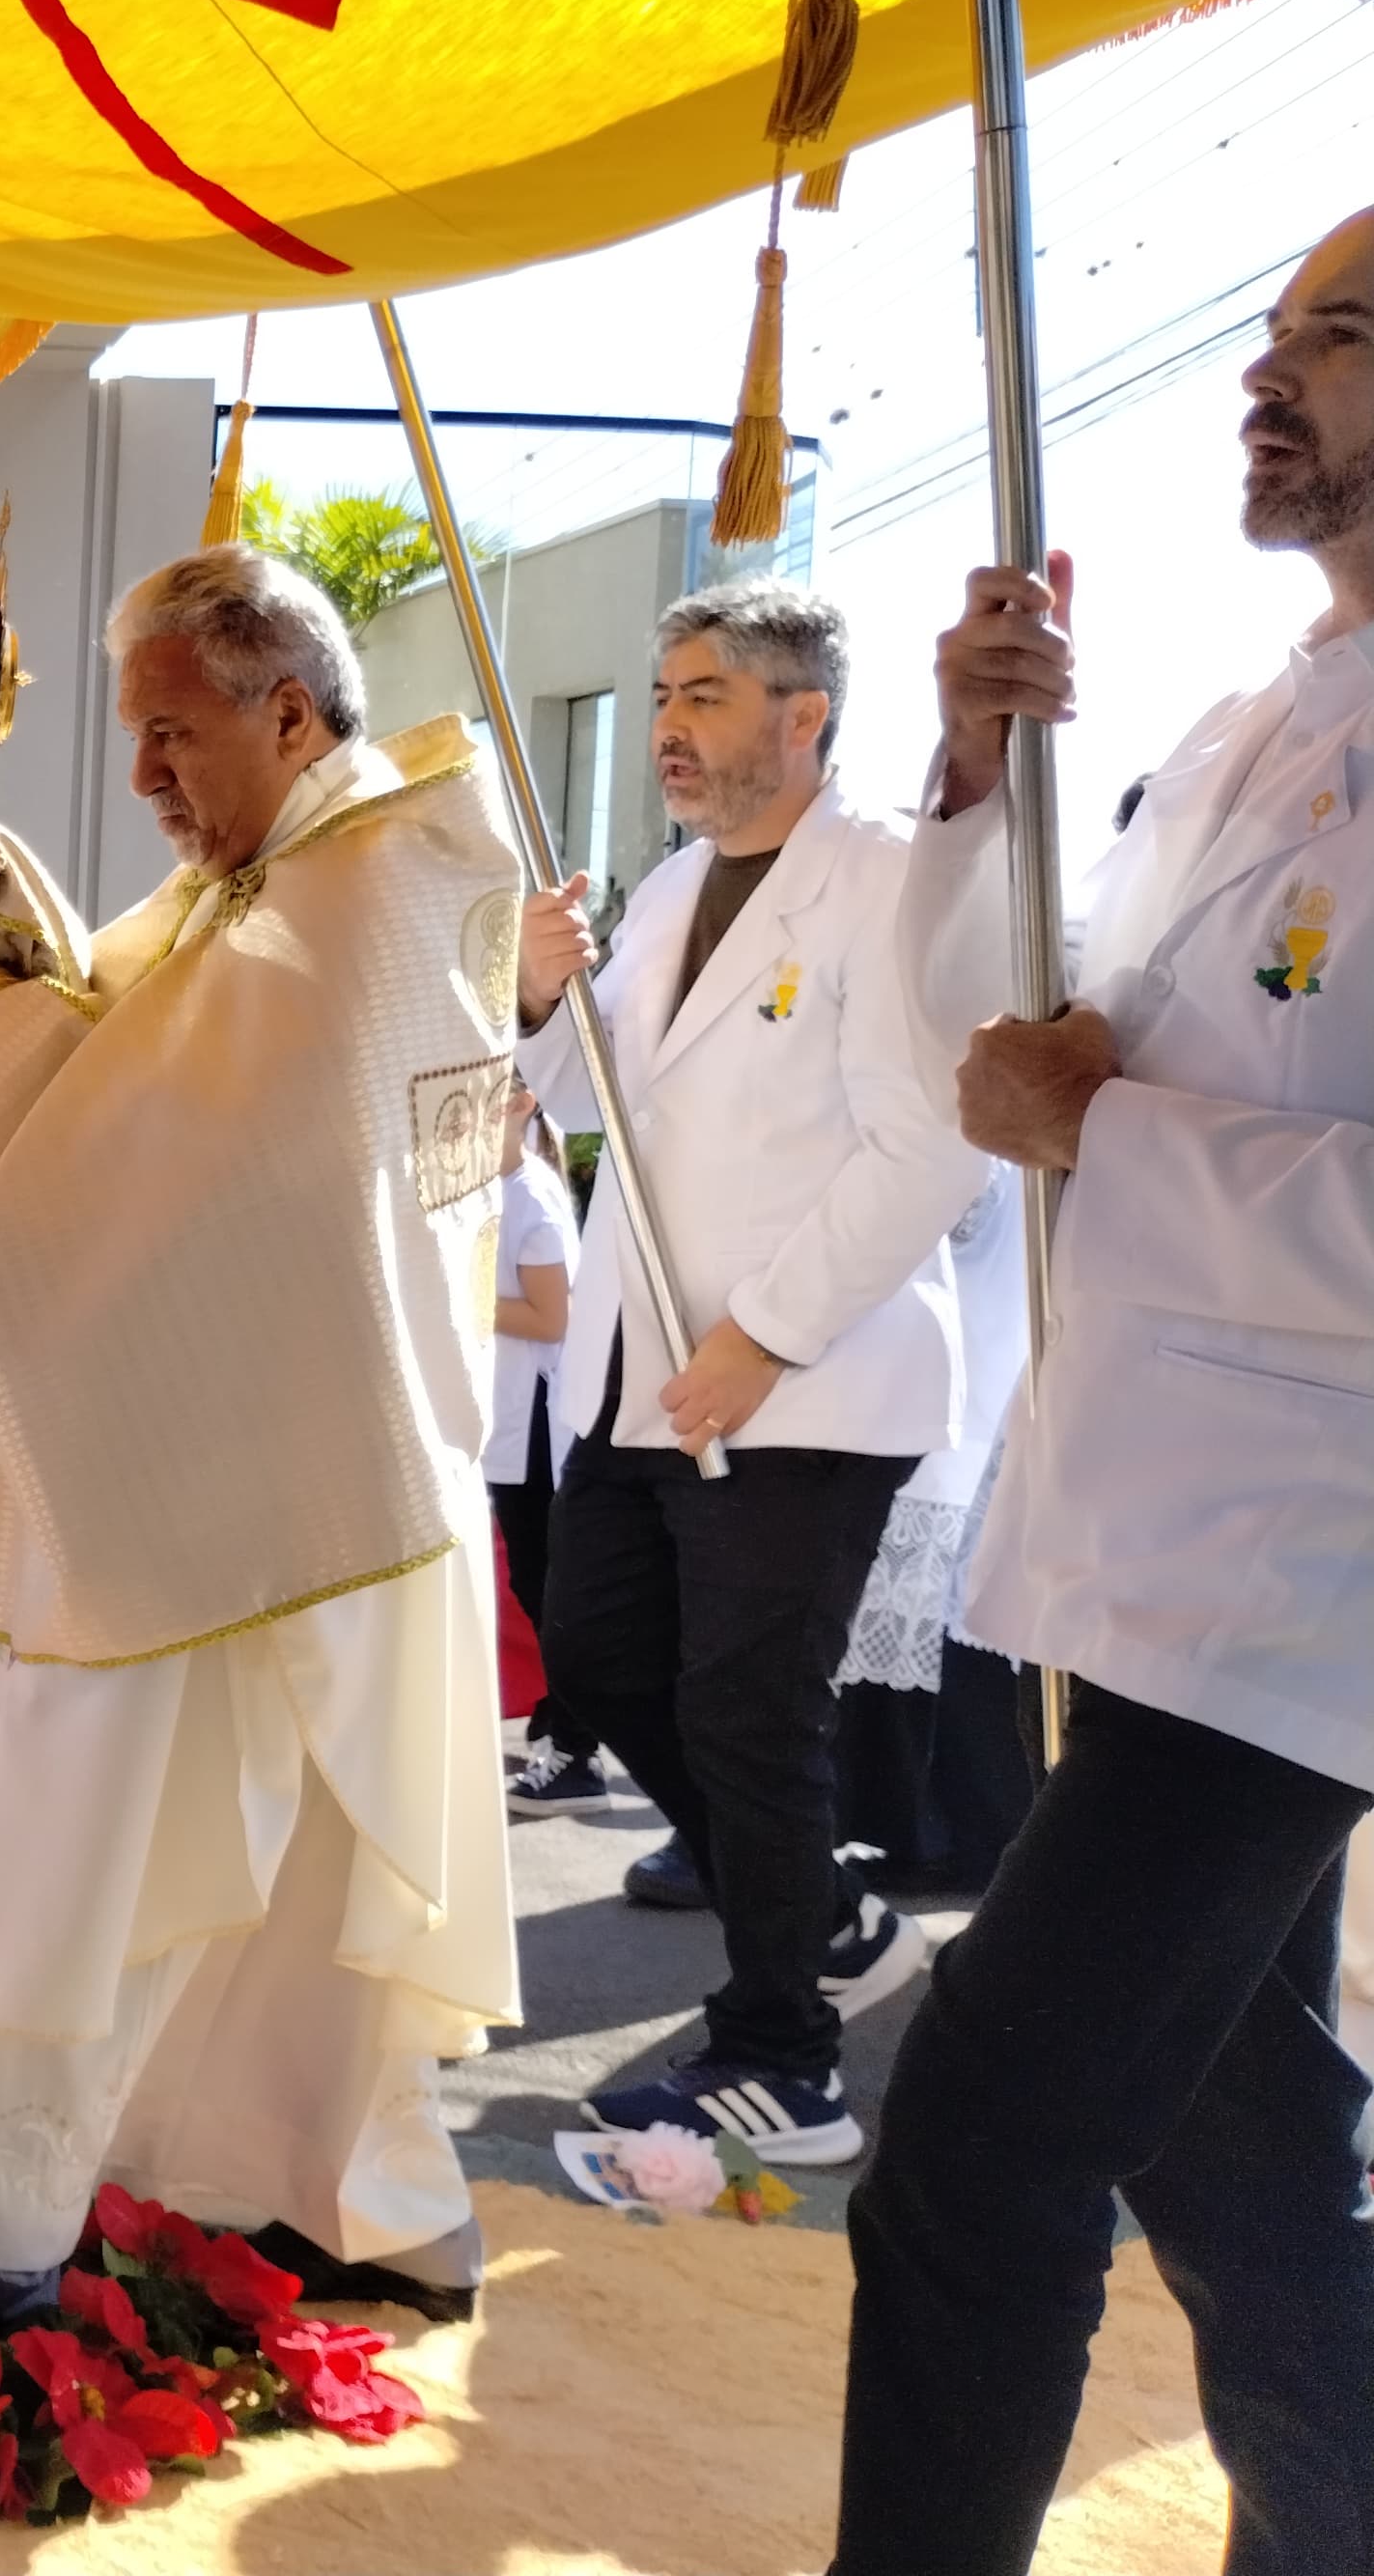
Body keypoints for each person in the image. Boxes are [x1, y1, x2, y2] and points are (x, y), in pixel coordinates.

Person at [0, 545, 523, 2357]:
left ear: (290, 712)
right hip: (276, 1462)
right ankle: (348, 2204)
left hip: (236, 1477)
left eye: (175, 733)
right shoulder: (271, 881)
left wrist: (12, 1022)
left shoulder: (371, 885)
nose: (149, 775)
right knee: (293, 1875)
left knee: (70, 1839)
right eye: (136, 736)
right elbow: (127, 1051)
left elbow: (178, 1156)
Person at [836, 207, 1374, 2576]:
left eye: (1335, 337)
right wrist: (975, 773)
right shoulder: (1247, 721)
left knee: (977, 2136)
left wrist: (1109, 1133)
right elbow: (1012, 1024)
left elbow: (1099, 1110)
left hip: (1302, 1580)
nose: (1267, 377)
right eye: (1270, 333)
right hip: (1141, 1544)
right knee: (1245, 2155)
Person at [515, 584, 983, 2167]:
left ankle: (786, 2063)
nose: (667, 725)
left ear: (806, 716)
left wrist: (768, 1333)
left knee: (750, 1715)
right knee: (597, 1649)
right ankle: (824, 1921)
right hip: (640, 1372)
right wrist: (537, 988)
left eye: (704, 694)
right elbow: (581, 1093)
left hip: (805, 1385)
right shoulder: (668, 890)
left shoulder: (887, 883)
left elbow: (933, 1143)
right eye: (662, 692)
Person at [827, 1173, 1035, 1894]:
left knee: (947, 1648)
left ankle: (950, 1837)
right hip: (952, 1397)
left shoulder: (982, 1151)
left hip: (960, 1401)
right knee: (921, 1645)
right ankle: (924, 1832)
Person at [488, 1078, 604, 1814]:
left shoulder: (531, 1196)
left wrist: (457, 1291)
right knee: (534, 1584)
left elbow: (550, 1318)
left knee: (547, 1586)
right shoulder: (498, 1192)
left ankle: (576, 1750)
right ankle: (562, 1724)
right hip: (509, 1418)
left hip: (536, 1420)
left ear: (522, 1103)